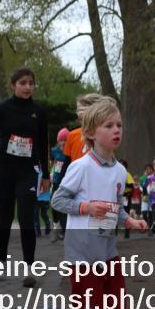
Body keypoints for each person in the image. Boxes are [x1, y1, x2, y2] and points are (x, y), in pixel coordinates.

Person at [38, 97, 148, 309]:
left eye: (119, 125)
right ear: (90, 133)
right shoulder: (81, 166)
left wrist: (129, 221)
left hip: (107, 250)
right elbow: (58, 200)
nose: (117, 130)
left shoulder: (118, 170)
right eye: (109, 125)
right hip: (83, 251)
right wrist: (86, 208)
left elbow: (115, 206)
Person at [0, 67, 49, 287]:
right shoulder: (3, 108)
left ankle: (29, 269)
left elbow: (44, 144)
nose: (28, 87)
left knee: (27, 216)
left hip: (28, 170)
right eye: (23, 83)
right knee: (5, 217)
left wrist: (45, 174)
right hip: (4, 169)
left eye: (31, 83)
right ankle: (0, 263)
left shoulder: (39, 110)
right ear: (13, 85)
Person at [54, 94, 107, 243]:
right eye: (77, 109)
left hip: (98, 181)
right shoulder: (72, 135)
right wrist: (61, 181)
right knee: (76, 214)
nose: (79, 113)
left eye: (83, 108)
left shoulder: (104, 132)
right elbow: (67, 161)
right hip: (77, 181)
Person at [50, 128, 69, 240]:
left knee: (65, 208)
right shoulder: (54, 151)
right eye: (61, 140)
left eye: (65, 140)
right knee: (54, 203)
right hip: (57, 181)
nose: (63, 142)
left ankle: (64, 232)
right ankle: (56, 225)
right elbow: (52, 163)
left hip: (67, 183)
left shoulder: (69, 152)